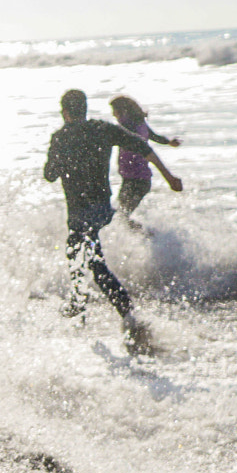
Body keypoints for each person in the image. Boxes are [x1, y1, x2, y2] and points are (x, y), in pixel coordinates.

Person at [43, 89, 181, 330]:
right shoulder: (102, 129)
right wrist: (169, 177)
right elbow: (143, 146)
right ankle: (81, 302)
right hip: (101, 208)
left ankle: (126, 313)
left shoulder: (60, 137)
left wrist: (63, 158)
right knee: (79, 253)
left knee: (90, 260)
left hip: (79, 211)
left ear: (65, 112)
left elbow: (49, 175)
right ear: (84, 110)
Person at [107, 95, 182, 224]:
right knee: (121, 216)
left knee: (121, 217)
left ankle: (147, 236)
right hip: (140, 179)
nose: (113, 114)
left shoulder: (126, 126)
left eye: (114, 110)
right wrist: (169, 142)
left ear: (122, 111)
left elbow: (118, 137)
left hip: (135, 180)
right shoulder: (140, 123)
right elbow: (155, 137)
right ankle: (147, 237)